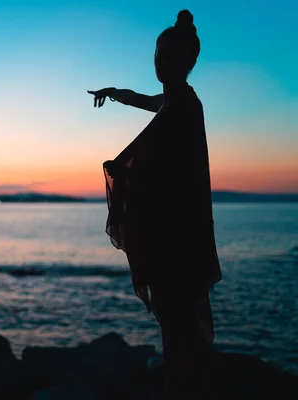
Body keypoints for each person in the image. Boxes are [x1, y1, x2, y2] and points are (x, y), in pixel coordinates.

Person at [88, 10, 222, 399]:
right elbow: (146, 101)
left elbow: (156, 159)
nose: (161, 62)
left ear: (189, 62)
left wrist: (122, 169)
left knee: (176, 312)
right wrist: (114, 93)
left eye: (170, 56)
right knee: (173, 312)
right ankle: (179, 378)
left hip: (175, 230)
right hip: (173, 226)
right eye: (157, 54)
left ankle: (180, 384)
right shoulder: (176, 100)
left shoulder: (184, 106)